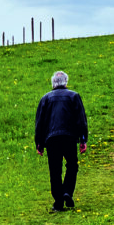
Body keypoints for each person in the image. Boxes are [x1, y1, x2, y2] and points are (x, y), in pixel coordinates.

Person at [33, 70, 88, 211]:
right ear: (66, 82)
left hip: (51, 139)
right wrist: (83, 139)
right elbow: (81, 120)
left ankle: (58, 202)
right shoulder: (74, 96)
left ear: (53, 83)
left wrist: (39, 142)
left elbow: (40, 123)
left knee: (55, 170)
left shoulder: (45, 98)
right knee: (72, 165)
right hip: (69, 137)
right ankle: (67, 191)